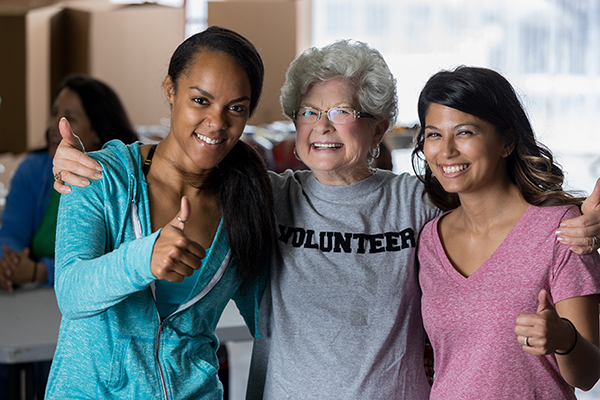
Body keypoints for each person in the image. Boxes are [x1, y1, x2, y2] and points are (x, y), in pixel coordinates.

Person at [50, 40, 600, 399]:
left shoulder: (419, 205)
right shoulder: (264, 196)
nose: (322, 127)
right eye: (309, 113)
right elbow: (196, 152)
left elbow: (495, 203)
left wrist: (575, 222)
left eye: (342, 112)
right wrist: (95, 161)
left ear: (380, 125)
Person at [45, 26, 276, 399]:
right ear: (171, 89)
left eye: (236, 108)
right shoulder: (100, 175)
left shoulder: (249, 199)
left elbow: (270, 318)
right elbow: (72, 294)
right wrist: (143, 259)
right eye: (201, 101)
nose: (217, 123)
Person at [413, 66, 600, 399]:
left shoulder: (561, 230)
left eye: (465, 132)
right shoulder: (430, 238)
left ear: (507, 142)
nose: (446, 150)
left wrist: (564, 339)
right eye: (433, 134)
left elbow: (587, 376)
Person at [0, 74, 138, 292]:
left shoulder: (120, 181)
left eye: (69, 119)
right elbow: (10, 232)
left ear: (97, 132)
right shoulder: (32, 170)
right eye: (55, 113)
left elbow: (113, 261)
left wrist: (41, 271)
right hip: (32, 299)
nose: (55, 126)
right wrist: (9, 264)